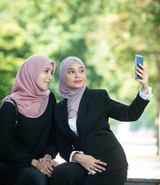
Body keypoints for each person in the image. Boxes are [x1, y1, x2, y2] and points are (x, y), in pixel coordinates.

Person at [53, 56, 153, 185]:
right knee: (61, 173)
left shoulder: (98, 97)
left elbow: (130, 114)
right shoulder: (59, 108)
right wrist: (78, 157)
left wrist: (144, 87)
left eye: (81, 70)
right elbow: (63, 145)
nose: (78, 75)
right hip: (83, 164)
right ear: (63, 76)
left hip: (108, 163)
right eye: (71, 71)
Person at [0, 55, 58, 185]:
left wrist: (48, 157)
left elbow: (54, 135)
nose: (50, 77)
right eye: (45, 71)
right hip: (13, 164)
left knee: (60, 174)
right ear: (32, 72)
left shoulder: (49, 99)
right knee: (38, 178)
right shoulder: (10, 106)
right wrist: (35, 163)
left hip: (40, 161)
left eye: (51, 72)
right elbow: (5, 148)